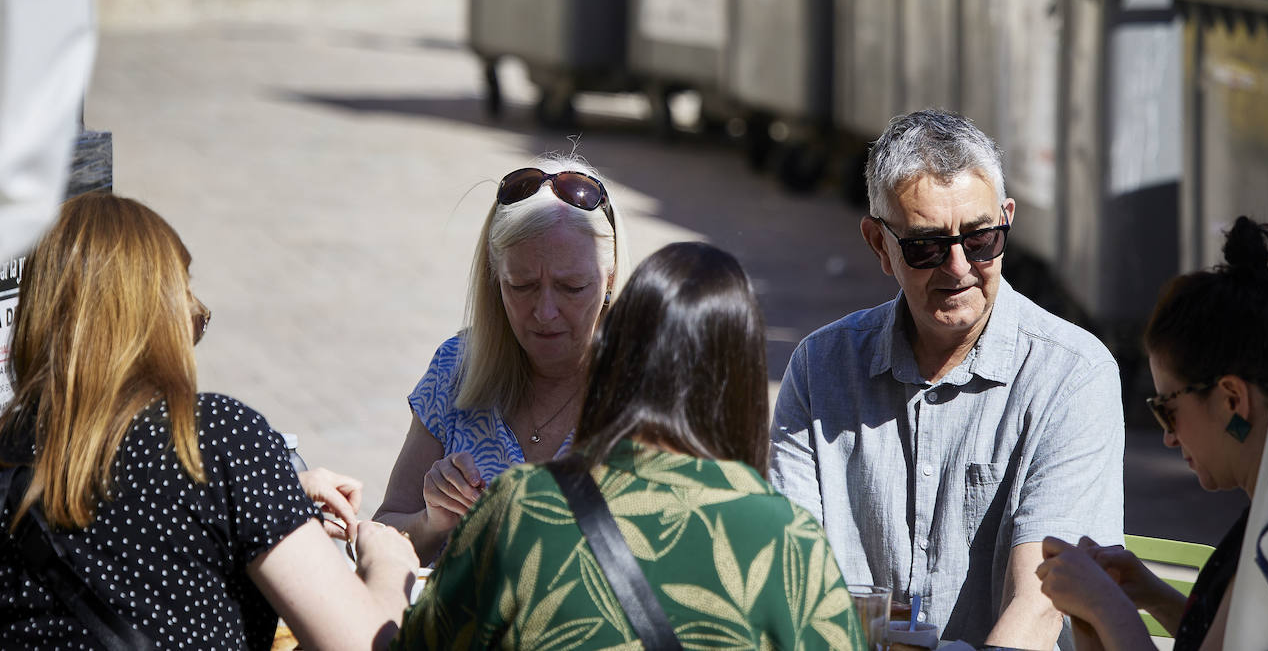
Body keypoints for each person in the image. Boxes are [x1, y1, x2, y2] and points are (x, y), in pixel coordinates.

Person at [395, 241, 866, 649]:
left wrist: (379, 565)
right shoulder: (792, 541)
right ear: (743, 383)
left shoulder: (520, 507)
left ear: (612, 354)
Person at [770, 108, 1123, 650]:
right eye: (926, 246)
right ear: (878, 245)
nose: (958, 267)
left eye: (981, 240)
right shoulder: (821, 368)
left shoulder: (1072, 375)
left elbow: (1040, 604)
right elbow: (793, 580)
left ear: (1007, 219)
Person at [0, 192, 419, 649]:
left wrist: (265, 499)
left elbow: (104, 507)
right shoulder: (216, 439)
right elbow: (364, 645)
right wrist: (389, 565)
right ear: (157, 323)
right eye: (187, 308)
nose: (195, 324)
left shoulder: (10, 451)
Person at [1036, 217, 1268, 651]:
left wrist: (1108, 606)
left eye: (1167, 409)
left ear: (1231, 400)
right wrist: (1149, 593)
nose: (1167, 437)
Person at [373, 156, 627, 563]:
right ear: (494, 280)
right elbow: (380, 534)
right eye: (522, 286)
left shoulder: (647, 390)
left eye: (572, 287)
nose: (545, 312)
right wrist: (432, 521)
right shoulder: (456, 367)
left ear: (611, 278)